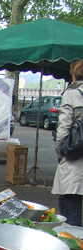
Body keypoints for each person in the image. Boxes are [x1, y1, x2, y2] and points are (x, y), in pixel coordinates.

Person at [52, 60, 83, 226]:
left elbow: (63, 129)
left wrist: (60, 152)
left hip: (75, 161)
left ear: (73, 73)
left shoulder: (73, 93)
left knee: (71, 217)